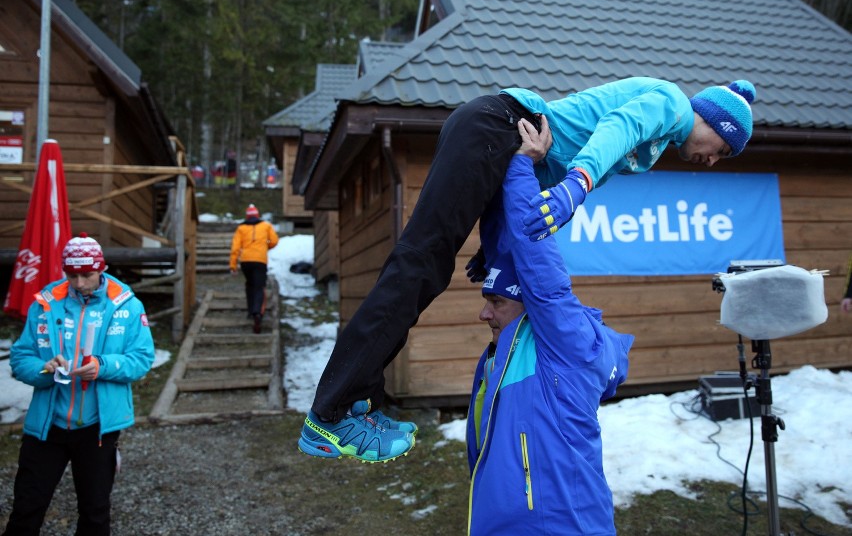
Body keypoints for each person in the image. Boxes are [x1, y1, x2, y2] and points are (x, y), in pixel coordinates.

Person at [299, 77, 756, 463]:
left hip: (501, 141)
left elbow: (535, 168)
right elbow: (619, 126)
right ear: (717, 123)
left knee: (429, 268)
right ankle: (332, 415)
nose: (713, 160)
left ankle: (358, 403)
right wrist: (579, 183)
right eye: (723, 149)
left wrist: (493, 239)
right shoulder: (673, 104)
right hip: (498, 125)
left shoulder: (660, 142)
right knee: (421, 261)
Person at [466, 149, 633, 535]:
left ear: (529, 304)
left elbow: (533, 250)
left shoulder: (566, 342)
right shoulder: (506, 351)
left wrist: (520, 165)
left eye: (496, 303)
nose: (484, 315)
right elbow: (510, 253)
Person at [3, 234, 155, 536]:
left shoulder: (126, 304)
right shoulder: (46, 302)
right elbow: (20, 356)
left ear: (102, 269)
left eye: (87, 275)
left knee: (95, 513)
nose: (80, 283)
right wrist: (42, 369)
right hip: (47, 426)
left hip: (98, 428)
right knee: (27, 509)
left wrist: (102, 366)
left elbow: (141, 358)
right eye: (72, 275)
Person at [229, 204, 279, 334]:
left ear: (247, 216)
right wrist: (265, 245)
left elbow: (235, 248)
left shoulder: (241, 228)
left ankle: (251, 311)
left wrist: (233, 265)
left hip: (246, 261)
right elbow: (273, 241)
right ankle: (257, 313)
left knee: (249, 285)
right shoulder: (266, 226)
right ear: (257, 215)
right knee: (259, 287)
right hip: (260, 261)